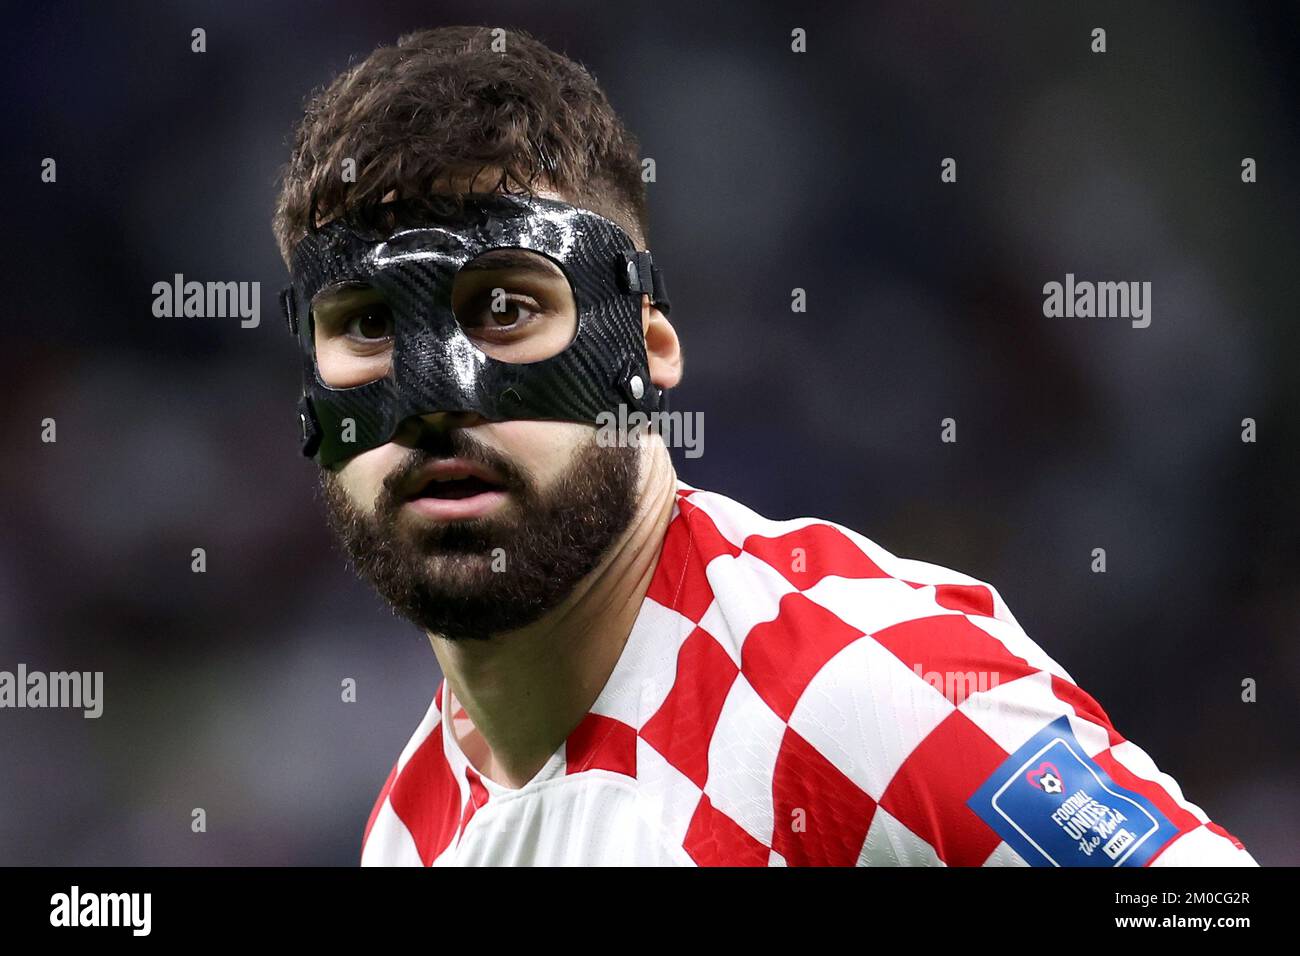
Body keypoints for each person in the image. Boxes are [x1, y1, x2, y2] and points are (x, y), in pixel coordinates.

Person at [271, 25, 1256, 867]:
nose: (435, 398)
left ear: (647, 347)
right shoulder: (412, 820)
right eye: (364, 326)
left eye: (506, 309)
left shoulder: (863, 689)